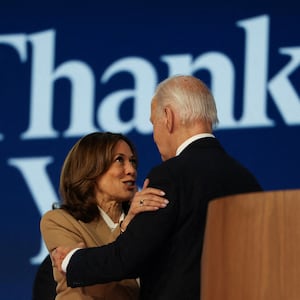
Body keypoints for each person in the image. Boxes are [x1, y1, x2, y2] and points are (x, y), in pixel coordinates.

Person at [52, 75, 263, 299]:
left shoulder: (171, 176)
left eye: (153, 123)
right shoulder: (246, 180)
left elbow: (129, 257)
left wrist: (71, 259)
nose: (154, 136)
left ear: (168, 117)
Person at [40, 132, 168, 300]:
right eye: (119, 160)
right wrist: (125, 227)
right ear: (91, 168)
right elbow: (93, 282)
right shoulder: (59, 221)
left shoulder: (144, 221)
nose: (131, 170)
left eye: (133, 161)